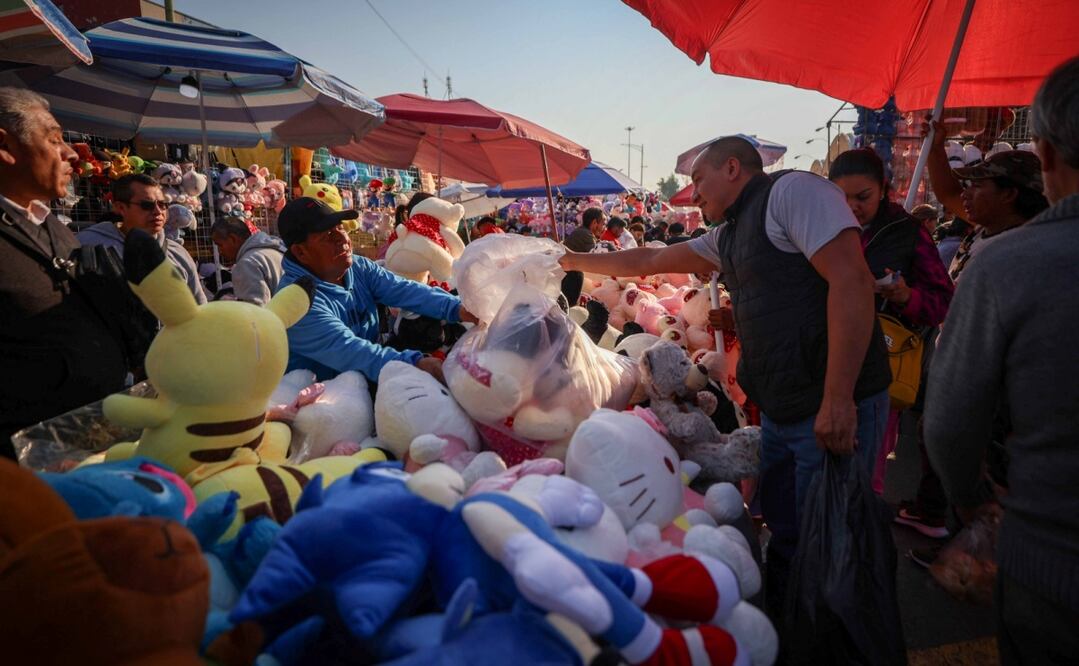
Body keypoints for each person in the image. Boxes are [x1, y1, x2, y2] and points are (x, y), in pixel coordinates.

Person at [560, 135, 891, 618]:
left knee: (836, 549)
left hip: (833, 404)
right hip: (784, 409)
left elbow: (852, 281)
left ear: (732, 167)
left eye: (698, 180)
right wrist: (569, 261)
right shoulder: (729, 235)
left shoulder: (793, 195)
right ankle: (791, 633)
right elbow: (651, 259)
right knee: (788, 531)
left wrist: (838, 398)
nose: (693, 194)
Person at [924, 56, 1079, 664]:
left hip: (1051, 568)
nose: (967, 195)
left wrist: (969, 501)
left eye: (981, 183)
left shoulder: (1011, 264)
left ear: (1043, 151)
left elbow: (949, 418)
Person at [0, 88, 127, 458]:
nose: (72, 153)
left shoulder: (49, 223)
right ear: (6, 148)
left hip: (88, 442)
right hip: (23, 471)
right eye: (54, 139)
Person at [829, 148, 954, 496]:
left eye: (863, 197)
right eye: (842, 197)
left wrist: (904, 296)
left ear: (884, 189)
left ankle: (863, 543)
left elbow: (943, 302)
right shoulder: (822, 226)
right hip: (824, 362)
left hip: (879, 370)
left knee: (866, 476)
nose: (852, 206)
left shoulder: (908, 232)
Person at [276, 197, 476, 385]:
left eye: (340, 227)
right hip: (321, 400)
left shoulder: (358, 267)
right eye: (327, 236)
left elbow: (403, 290)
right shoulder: (296, 302)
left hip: (368, 381)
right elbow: (351, 351)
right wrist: (415, 363)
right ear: (301, 252)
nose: (342, 238)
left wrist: (458, 308)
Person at [923, 120, 1049, 284]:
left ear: (1008, 194)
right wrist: (935, 147)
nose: (965, 194)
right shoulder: (991, 226)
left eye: (977, 186)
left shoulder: (1017, 252)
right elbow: (948, 193)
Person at [78, 174, 208, 304]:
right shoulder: (87, 245)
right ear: (120, 208)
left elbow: (199, 309)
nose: (158, 211)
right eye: (147, 205)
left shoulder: (178, 253)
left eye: (163, 204)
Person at [210, 217, 285, 306]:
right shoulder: (272, 249)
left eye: (220, 245)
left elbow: (255, 310)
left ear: (233, 239)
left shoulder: (247, 264)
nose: (219, 251)